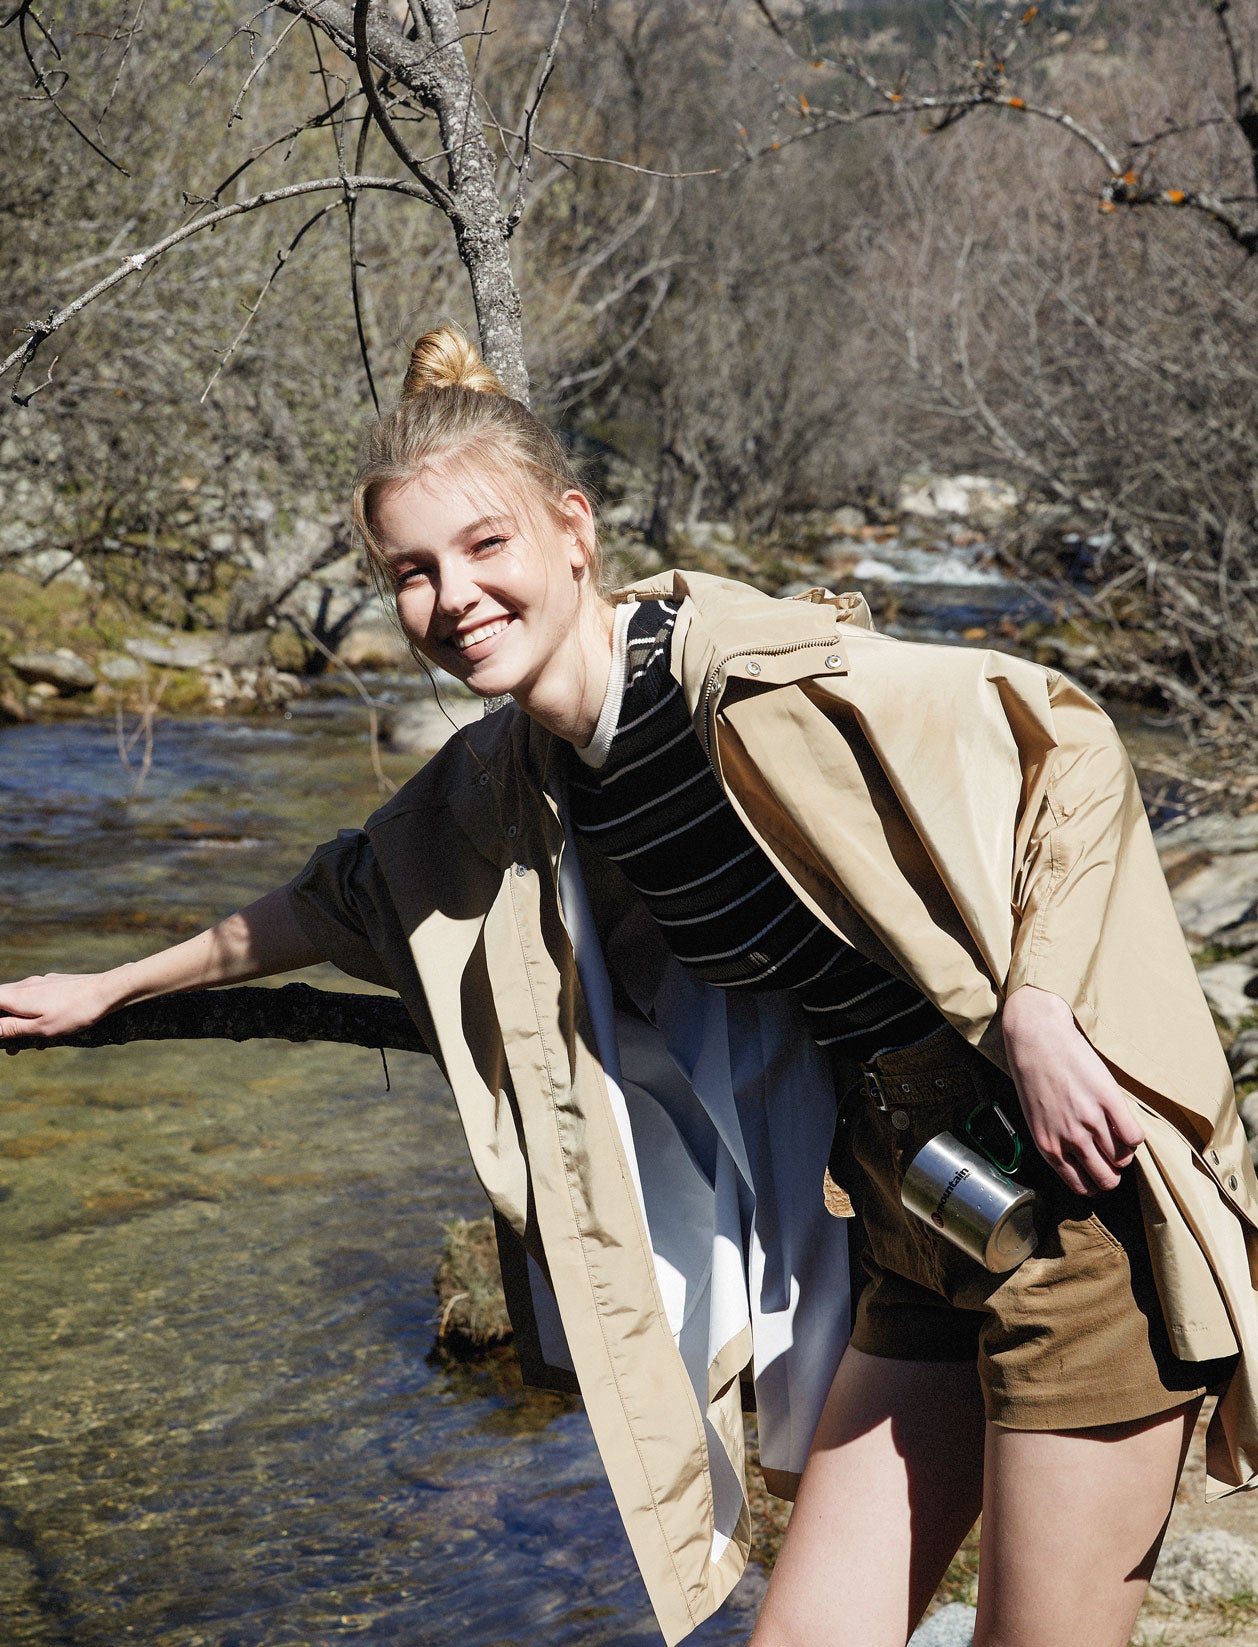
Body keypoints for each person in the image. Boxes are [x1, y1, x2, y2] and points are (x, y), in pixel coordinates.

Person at [3, 327, 1256, 1647]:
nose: (454, 599)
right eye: (413, 573)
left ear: (571, 529)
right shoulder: (515, 779)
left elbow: (1061, 732)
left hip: (1070, 1208)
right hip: (909, 1212)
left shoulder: (744, 680)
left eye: (486, 547)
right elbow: (337, 900)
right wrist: (112, 988)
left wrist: (1039, 1004)